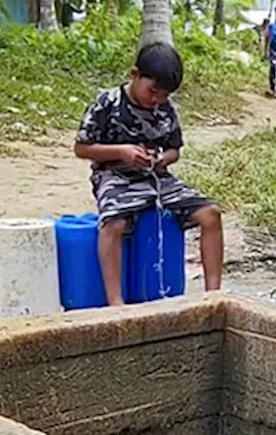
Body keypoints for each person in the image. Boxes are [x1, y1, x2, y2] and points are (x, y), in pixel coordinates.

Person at [73, 42, 224, 306]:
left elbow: (174, 150)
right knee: (113, 223)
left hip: (156, 177)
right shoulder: (107, 103)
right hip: (114, 177)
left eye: (164, 95)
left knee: (210, 214)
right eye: (152, 91)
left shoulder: (165, 108)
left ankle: (213, 296)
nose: (156, 100)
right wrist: (122, 152)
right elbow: (81, 148)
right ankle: (115, 302)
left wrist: (161, 159)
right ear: (134, 74)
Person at [262, 16, 276, 98]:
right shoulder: (271, 26)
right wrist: (265, 52)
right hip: (273, 52)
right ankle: (272, 88)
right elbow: (266, 38)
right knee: (273, 69)